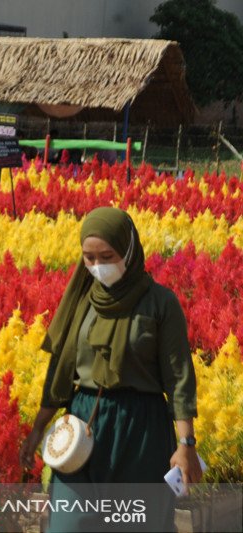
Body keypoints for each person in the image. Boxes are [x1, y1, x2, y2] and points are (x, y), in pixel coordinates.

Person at [19, 206, 201, 532]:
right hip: (82, 423)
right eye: (89, 257)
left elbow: (178, 377)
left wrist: (185, 445)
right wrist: (37, 429)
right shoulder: (81, 299)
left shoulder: (160, 303)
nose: (98, 265)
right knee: (68, 524)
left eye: (107, 255)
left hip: (140, 428)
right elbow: (60, 369)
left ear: (129, 251)